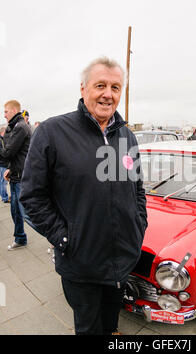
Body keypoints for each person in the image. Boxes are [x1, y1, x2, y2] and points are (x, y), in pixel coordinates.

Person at [20, 57, 148, 335]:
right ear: (83, 89)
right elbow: (32, 196)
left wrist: (139, 226)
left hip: (123, 258)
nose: (108, 94)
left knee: (112, 323)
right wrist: (65, 238)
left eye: (115, 87)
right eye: (100, 85)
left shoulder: (127, 137)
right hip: (81, 262)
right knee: (89, 327)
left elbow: (137, 188)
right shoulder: (53, 132)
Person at [0, 100, 32, 249]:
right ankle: (20, 238)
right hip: (15, 175)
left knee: (27, 213)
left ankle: (56, 240)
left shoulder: (20, 127)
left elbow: (8, 153)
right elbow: (16, 155)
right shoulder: (14, 127)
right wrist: (10, 170)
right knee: (15, 212)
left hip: (22, 178)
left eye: (6, 111)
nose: (4, 115)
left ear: (13, 111)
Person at [0, 127, 9, 203]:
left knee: (2, 181)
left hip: (2, 163)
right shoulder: (1, 140)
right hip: (3, 163)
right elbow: (3, 152)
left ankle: (4, 196)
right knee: (3, 182)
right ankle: (4, 198)